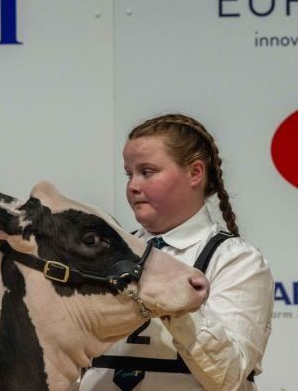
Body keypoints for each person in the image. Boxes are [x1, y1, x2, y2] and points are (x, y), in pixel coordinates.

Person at [76, 113, 274, 391]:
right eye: (129, 173)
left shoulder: (237, 260)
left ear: (195, 173)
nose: (133, 185)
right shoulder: (107, 254)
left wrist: (173, 301)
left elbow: (230, 377)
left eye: (147, 172)